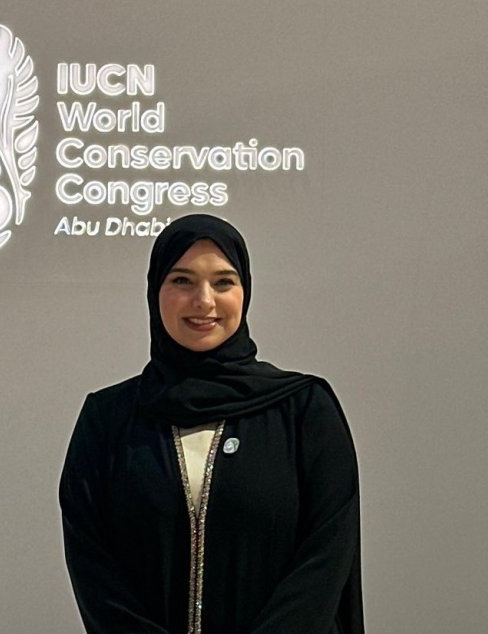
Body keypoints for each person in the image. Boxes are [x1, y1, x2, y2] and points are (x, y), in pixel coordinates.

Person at [59, 214, 363, 633]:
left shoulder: (303, 409)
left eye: (223, 282)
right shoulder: (108, 418)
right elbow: (93, 566)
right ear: (155, 291)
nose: (204, 301)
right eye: (182, 281)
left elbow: (326, 558)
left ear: (245, 292)